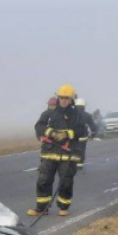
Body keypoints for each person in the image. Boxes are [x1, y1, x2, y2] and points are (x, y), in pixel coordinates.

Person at [28, 84, 85, 217]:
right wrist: (51, 133)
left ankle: (63, 206)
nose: (63, 100)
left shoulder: (77, 115)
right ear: (58, 98)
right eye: (61, 97)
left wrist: (67, 134)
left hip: (68, 155)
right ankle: (42, 208)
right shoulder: (49, 113)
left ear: (71, 99)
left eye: (66, 98)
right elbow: (39, 126)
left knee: (66, 182)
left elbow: (82, 130)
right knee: (43, 180)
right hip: (49, 152)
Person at [74, 98, 97, 170]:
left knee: (71, 149)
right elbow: (93, 127)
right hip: (82, 137)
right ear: (84, 106)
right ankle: (79, 165)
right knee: (81, 150)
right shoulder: (87, 115)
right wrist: (93, 135)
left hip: (72, 137)